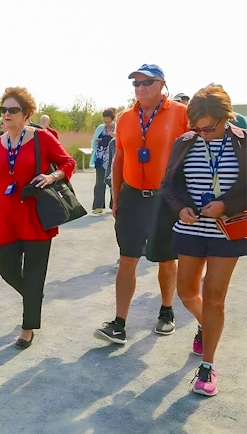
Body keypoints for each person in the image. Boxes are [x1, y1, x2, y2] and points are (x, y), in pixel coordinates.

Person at [0, 87, 76, 349]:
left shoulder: (42, 138)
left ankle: (27, 327)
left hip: (36, 216)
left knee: (33, 273)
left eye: (12, 110)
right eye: (3, 110)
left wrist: (52, 176)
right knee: (6, 270)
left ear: (27, 114)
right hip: (7, 217)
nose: (6, 114)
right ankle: (34, 298)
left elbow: (68, 163)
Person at [162, 84, 247, 396]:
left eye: (208, 127)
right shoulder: (185, 142)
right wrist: (179, 207)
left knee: (214, 297)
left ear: (226, 118)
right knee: (186, 292)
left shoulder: (244, 142)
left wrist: (226, 205)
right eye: (196, 128)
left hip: (228, 231)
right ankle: (207, 325)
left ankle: (208, 366)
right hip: (190, 230)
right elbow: (168, 185)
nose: (202, 133)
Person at [95, 64, 189, 344]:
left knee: (166, 259)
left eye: (146, 82)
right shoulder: (125, 118)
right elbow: (120, 158)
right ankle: (119, 323)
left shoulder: (181, 114)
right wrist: (117, 196)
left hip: (166, 199)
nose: (140, 88)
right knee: (127, 258)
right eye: (135, 83)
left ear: (162, 84)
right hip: (133, 197)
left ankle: (166, 311)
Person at [90, 108, 117, 214]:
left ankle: (113, 205)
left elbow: (122, 141)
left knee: (112, 182)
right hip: (100, 158)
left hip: (112, 159)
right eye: (105, 121)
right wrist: (96, 142)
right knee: (99, 182)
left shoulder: (117, 127)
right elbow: (93, 142)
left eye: (108, 121)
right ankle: (98, 206)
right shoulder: (101, 128)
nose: (106, 123)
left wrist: (116, 136)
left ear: (112, 119)